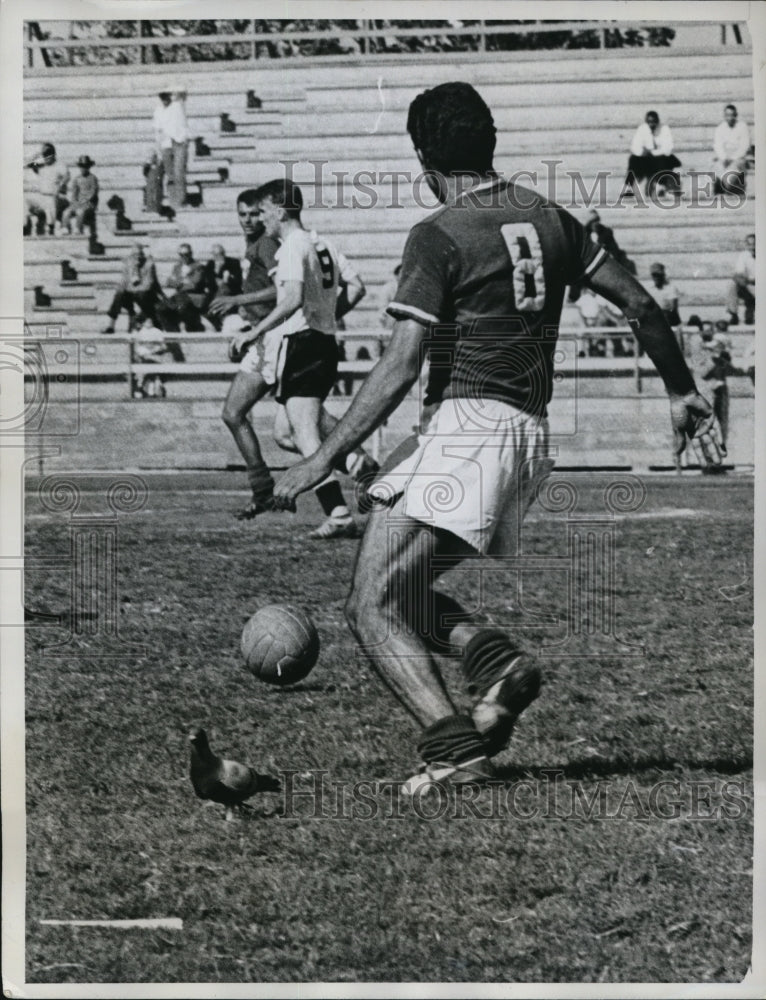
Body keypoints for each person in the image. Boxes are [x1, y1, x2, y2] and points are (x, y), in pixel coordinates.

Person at [274, 81, 713, 792]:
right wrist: (682, 389)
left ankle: (456, 752)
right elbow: (638, 303)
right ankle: (496, 665)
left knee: (368, 604)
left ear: (424, 159)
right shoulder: (553, 219)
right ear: (490, 141)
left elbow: (400, 363)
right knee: (405, 589)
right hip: (527, 439)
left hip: (468, 428)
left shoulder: (438, 234)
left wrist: (319, 456)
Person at [214, 188, 374, 523]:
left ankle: (336, 510)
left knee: (301, 427)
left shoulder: (286, 244)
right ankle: (359, 468)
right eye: (244, 213)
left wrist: (248, 320)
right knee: (289, 429)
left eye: (259, 212)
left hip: (287, 338)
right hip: (304, 337)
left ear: (277, 211)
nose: (253, 219)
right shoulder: (314, 242)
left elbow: (289, 295)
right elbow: (355, 286)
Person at [101, 243, 164, 334]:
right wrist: (124, 290)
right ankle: (111, 325)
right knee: (119, 295)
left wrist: (131, 288)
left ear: (143, 255)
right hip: (133, 293)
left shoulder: (149, 264)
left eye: (140, 255)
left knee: (141, 294)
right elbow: (123, 283)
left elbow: (148, 285)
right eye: (135, 255)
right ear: (131, 256)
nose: (137, 258)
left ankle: (138, 321)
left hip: (147, 295)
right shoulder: (128, 264)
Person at [621, 111, 681, 198]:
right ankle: (629, 187)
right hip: (646, 158)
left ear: (657, 121)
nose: (651, 124)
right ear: (646, 121)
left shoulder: (664, 129)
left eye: (653, 122)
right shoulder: (642, 129)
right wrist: (642, 152)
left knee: (665, 159)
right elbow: (634, 146)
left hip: (659, 158)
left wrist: (652, 152)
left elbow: (668, 148)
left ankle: (661, 186)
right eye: (649, 122)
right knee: (633, 159)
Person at [24, 142, 70, 236]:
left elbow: (67, 176)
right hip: (41, 197)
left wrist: (61, 184)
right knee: (24, 201)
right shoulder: (41, 166)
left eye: (49, 154)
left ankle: (51, 228)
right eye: (45, 155)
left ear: (53, 154)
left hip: (53, 196)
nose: (47, 157)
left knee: (50, 202)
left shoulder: (59, 166)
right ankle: (25, 224)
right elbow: (26, 163)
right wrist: (38, 153)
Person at [160, 243, 207, 333]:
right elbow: (169, 282)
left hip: (192, 296)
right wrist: (184, 281)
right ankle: (173, 332)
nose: (184, 257)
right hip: (179, 296)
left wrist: (178, 282)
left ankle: (192, 329)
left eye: (186, 254)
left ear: (191, 254)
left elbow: (194, 285)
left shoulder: (198, 266)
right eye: (181, 255)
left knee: (182, 308)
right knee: (161, 308)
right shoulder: (177, 267)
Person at [713, 104, 750, 196]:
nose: (730, 118)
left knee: (729, 177)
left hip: (738, 158)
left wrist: (733, 158)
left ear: (736, 115)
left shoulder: (742, 127)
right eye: (728, 115)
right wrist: (724, 157)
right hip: (724, 158)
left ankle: (726, 185)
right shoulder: (720, 128)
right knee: (716, 167)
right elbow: (718, 146)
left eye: (732, 115)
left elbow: (744, 146)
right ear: (724, 116)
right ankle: (721, 184)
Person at [204, 244, 242, 330]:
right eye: (216, 255)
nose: (219, 257)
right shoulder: (210, 264)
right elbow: (209, 283)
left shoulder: (233, 262)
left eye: (221, 254)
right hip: (215, 294)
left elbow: (238, 281)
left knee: (223, 290)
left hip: (231, 292)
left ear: (224, 253)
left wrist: (226, 280)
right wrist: (217, 270)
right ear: (213, 255)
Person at [61, 155, 99, 236]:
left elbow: (93, 192)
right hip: (78, 203)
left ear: (89, 167)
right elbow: (74, 193)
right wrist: (74, 202)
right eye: (81, 167)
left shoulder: (93, 178)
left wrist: (85, 200)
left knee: (80, 211)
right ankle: (65, 228)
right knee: (66, 212)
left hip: (89, 204)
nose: (83, 169)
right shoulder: (77, 179)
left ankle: (78, 228)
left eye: (85, 167)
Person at [725, 233, 755, 326]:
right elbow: (739, 274)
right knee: (732, 284)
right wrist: (747, 282)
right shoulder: (744, 255)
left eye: (755, 244)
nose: (752, 247)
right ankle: (734, 314)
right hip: (749, 285)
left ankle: (750, 310)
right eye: (750, 244)